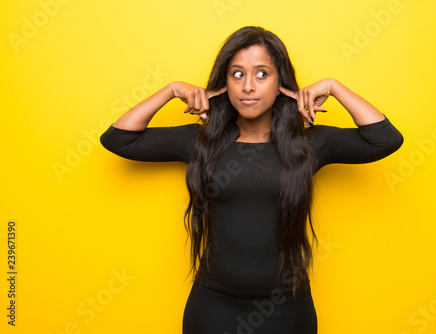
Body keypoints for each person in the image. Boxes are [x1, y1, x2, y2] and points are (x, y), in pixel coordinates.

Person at [100, 26, 403, 334]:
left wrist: (335, 87)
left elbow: (384, 140)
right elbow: (119, 140)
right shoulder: (200, 141)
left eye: (261, 74)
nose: (248, 86)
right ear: (224, 84)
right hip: (214, 307)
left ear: (280, 83)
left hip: (287, 306)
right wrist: (171, 90)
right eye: (237, 74)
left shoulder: (308, 144)